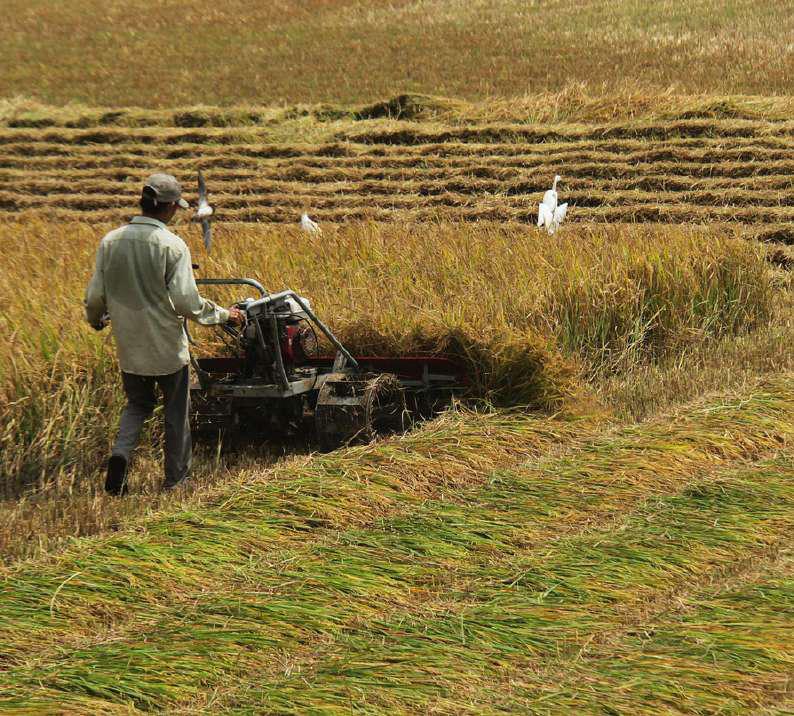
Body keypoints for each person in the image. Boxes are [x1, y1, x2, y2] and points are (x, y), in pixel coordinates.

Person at [84, 173, 243, 495]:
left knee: (137, 405)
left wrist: (96, 320)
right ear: (170, 207)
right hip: (166, 345)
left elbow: (95, 297)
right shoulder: (172, 245)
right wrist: (224, 315)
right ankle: (176, 480)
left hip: (129, 343)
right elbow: (187, 302)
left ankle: (120, 454)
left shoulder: (111, 241)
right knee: (174, 411)